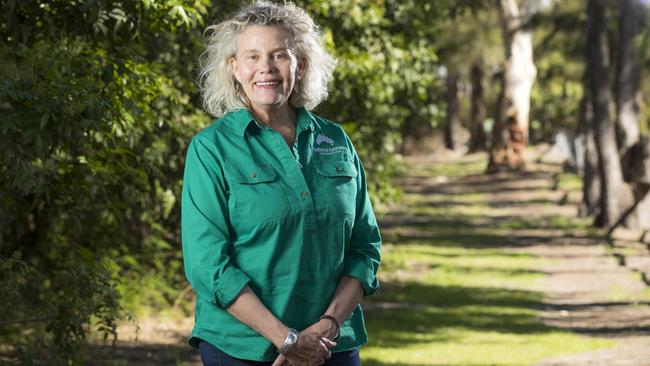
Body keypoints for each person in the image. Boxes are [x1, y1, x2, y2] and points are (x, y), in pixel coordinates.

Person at [181, 1, 381, 365]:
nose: (266, 69)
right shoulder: (211, 149)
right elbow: (207, 264)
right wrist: (286, 338)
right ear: (234, 68)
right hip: (242, 348)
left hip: (331, 346)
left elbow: (365, 248)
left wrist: (328, 324)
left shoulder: (336, 141)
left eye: (279, 55)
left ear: (300, 64)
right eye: (252, 57)